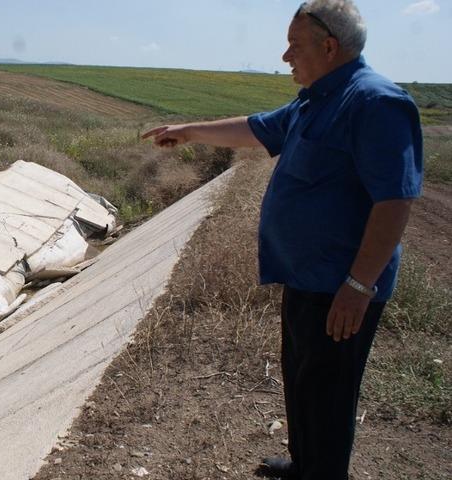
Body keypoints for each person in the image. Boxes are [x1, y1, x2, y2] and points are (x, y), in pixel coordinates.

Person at [141, 1, 422, 479]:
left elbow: (395, 201)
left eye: (295, 45)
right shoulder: (314, 100)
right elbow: (254, 128)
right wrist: (188, 132)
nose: (285, 55)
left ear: (329, 47)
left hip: (341, 287)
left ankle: (323, 472)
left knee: (330, 393)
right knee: (303, 380)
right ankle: (304, 464)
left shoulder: (375, 103)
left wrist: (359, 286)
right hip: (305, 278)